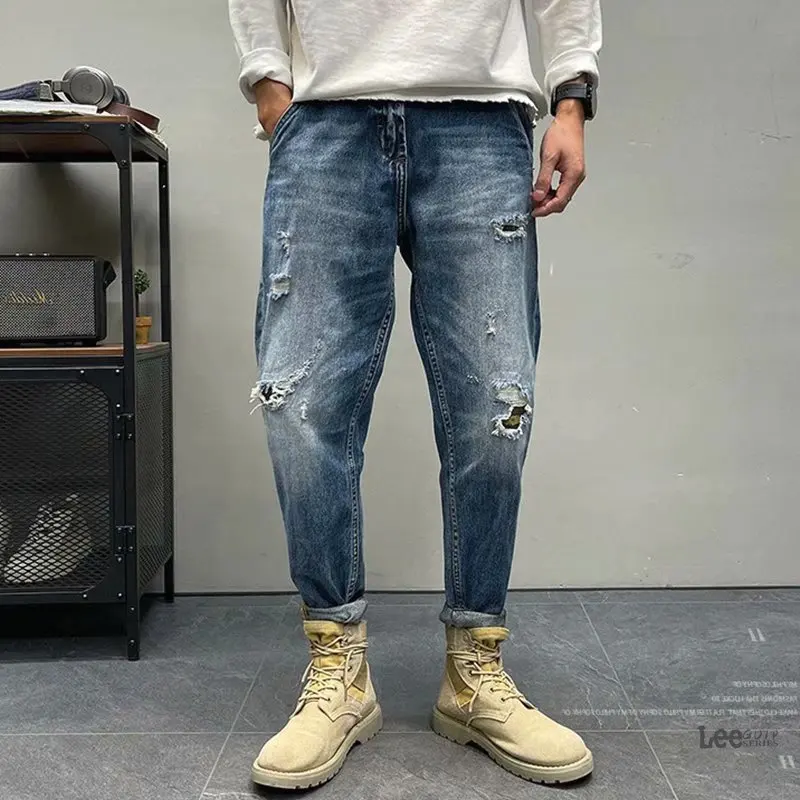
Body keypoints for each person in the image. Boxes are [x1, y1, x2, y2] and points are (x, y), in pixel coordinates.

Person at [230, 0, 601, 789]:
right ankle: (339, 670)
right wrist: (268, 84)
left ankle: (474, 674)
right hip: (327, 122)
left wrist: (571, 97)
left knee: (494, 409)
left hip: (481, 121)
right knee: (300, 405)